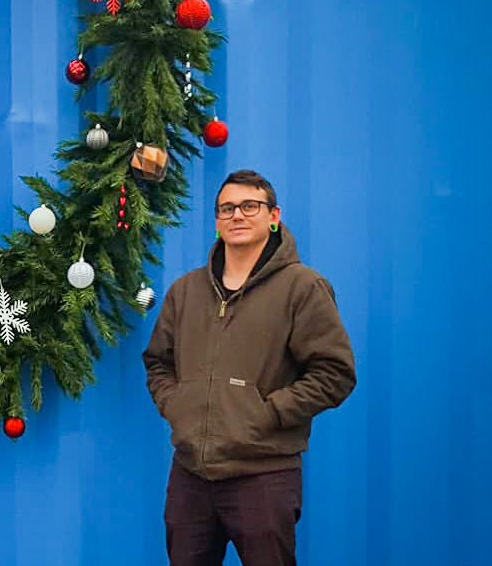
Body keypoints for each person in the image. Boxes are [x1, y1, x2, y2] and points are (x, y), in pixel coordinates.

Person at [143, 169, 356, 566]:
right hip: (190, 477)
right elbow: (158, 362)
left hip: (264, 476)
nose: (237, 215)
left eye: (249, 206)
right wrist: (179, 407)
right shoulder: (185, 291)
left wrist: (267, 413)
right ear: (216, 221)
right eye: (226, 208)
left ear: (273, 216)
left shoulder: (303, 288)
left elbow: (335, 372)